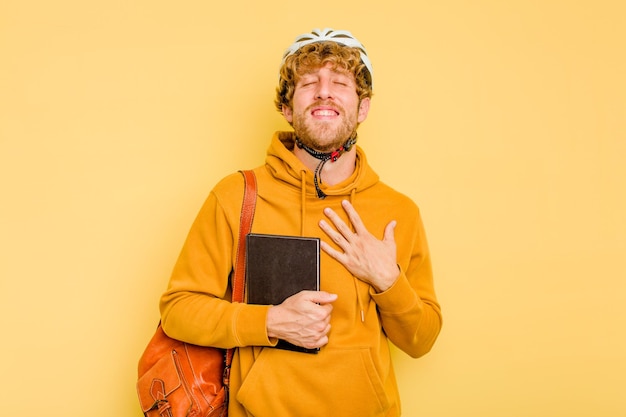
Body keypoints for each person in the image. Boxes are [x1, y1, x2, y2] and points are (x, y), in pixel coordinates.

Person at [159, 28, 442, 417]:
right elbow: (178, 310)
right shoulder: (237, 195)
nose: (324, 91)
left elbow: (421, 340)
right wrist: (270, 321)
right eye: (309, 82)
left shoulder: (399, 211)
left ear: (362, 108)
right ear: (288, 108)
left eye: (339, 82)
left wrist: (387, 280)